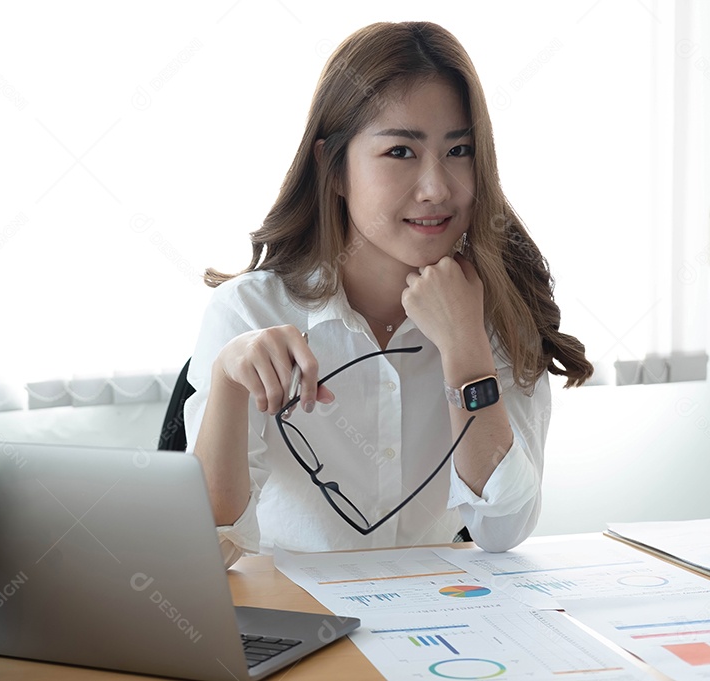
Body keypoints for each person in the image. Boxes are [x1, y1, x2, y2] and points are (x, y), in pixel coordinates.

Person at [183, 21, 592, 568]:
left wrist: (466, 350)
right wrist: (228, 383)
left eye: (460, 150)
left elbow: (502, 527)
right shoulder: (248, 312)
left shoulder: (499, 311)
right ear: (334, 168)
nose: (437, 188)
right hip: (302, 620)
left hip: (442, 624)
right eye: (401, 151)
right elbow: (211, 547)